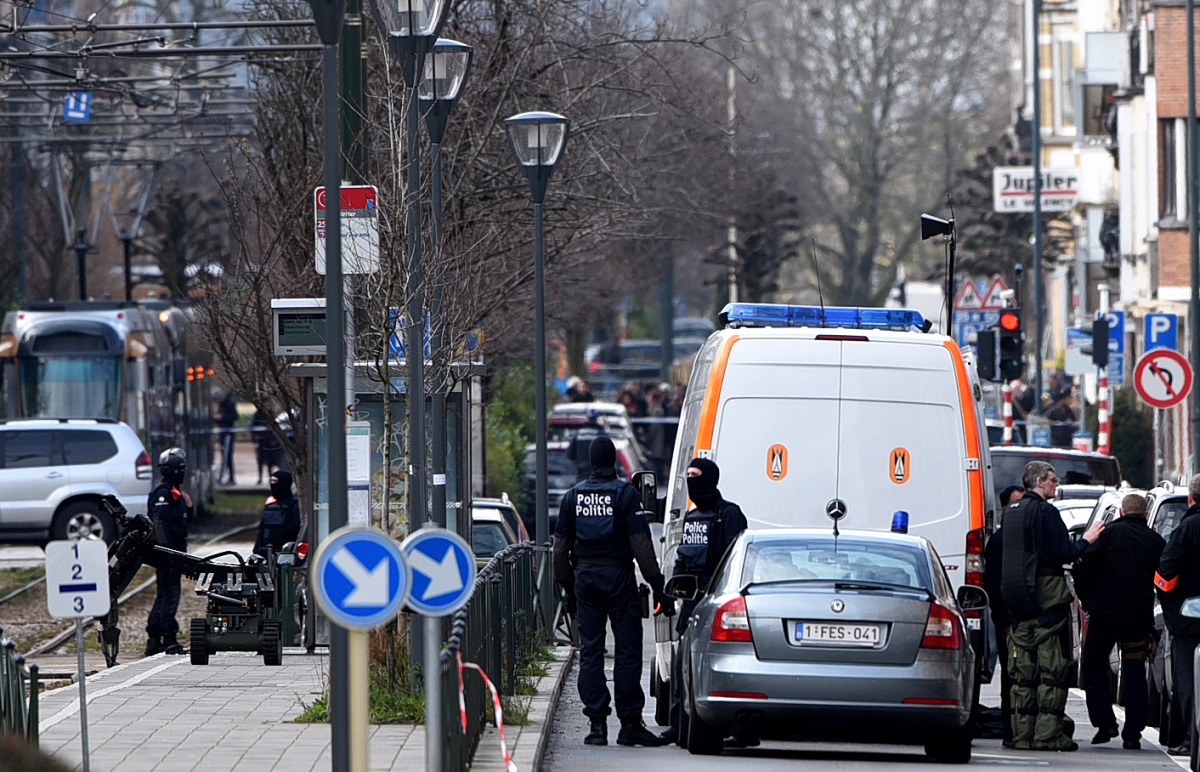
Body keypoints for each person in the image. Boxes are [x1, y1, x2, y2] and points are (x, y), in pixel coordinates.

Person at [553, 436, 672, 747]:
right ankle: (630, 724)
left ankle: (596, 725)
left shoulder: (573, 497)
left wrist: (569, 590)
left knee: (591, 652)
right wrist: (658, 586)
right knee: (628, 652)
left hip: (586, 580)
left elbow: (559, 550)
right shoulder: (625, 494)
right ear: (613, 462)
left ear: (592, 461)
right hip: (619, 578)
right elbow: (641, 546)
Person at [999, 461, 1103, 751]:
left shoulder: (1012, 514)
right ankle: (1047, 735)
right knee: (1052, 671)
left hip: (1018, 601)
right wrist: (1087, 540)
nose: (1056, 486)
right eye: (1053, 481)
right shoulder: (1047, 512)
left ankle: (1022, 735)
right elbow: (1065, 552)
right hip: (1048, 599)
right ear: (1040, 481)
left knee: (1023, 674)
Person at [660, 458, 748, 747]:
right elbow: (683, 560)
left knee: (724, 663)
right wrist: (671, 596)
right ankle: (678, 724)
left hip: (717, 601)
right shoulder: (692, 518)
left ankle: (740, 729)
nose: (690, 481)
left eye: (695, 476)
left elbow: (736, 562)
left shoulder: (729, 514)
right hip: (690, 602)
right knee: (681, 663)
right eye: (688, 476)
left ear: (710, 478)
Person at [1073, 492, 1164, 750]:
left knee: (1094, 663)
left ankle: (1105, 722)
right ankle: (1133, 732)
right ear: (1146, 515)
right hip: (1138, 616)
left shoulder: (1107, 536)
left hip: (1105, 614)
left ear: (1122, 512)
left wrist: (1089, 601)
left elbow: (1081, 567)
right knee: (1135, 669)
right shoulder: (1155, 541)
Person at [1154, 473, 1200, 756]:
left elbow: (1165, 574)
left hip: (1190, 619)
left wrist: (1172, 607)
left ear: (1191, 498)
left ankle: (1190, 739)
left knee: (1189, 680)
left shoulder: (1187, 529)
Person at [983, 485, 1024, 747]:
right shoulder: (999, 542)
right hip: (1008, 621)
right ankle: (1011, 729)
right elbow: (993, 586)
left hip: (1020, 618)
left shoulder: (1016, 538)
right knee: (1010, 674)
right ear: (1005, 509)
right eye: (1016, 505)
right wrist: (1005, 622)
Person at [145, 447, 193, 656]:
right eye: (180, 469)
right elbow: (160, 523)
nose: (182, 472)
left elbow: (182, 521)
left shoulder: (176, 494)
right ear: (173, 470)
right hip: (168, 554)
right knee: (169, 594)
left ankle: (155, 637)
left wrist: (189, 507)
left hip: (174, 552)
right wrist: (167, 553)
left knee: (165, 593)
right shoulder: (163, 494)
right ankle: (166, 637)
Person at [253, 470, 301, 558]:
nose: (272, 484)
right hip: (267, 553)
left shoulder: (295, 505)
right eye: (271, 481)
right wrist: (257, 551)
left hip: (287, 552)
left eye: (275, 481)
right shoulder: (270, 506)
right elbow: (262, 530)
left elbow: (296, 528)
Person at [215, 390, 238, 484]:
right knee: (225, 455)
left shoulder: (230, 405)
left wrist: (222, 417)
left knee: (228, 455)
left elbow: (234, 417)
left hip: (228, 433)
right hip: (223, 432)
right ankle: (224, 475)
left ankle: (231, 477)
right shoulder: (221, 406)